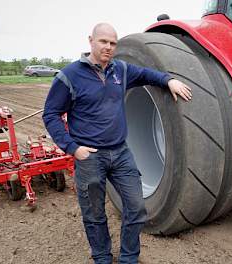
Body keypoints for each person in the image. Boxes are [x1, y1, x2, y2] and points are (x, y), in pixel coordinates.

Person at [42, 23, 192, 264]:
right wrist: (72, 148)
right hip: (90, 157)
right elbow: (50, 114)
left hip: (121, 153)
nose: (108, 47)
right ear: (90, 40)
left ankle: (128, 258)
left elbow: (145, 74)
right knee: (94, 214)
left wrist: (168, 80)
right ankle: (102, 258)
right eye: (103, 42)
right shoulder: (69, 76)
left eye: (113, 43)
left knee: (136, 207)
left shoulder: (119, 70)